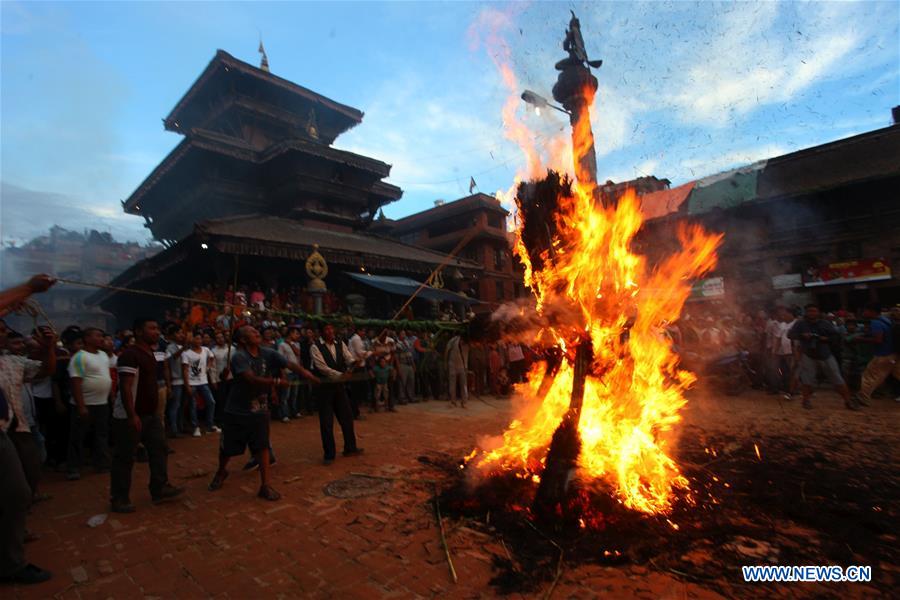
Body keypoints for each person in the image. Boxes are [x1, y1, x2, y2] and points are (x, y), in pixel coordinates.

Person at [208, 326, 318, 501]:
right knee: (228, 449)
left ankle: (265, 485)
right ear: (243, 340)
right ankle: (221, 471)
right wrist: (275, 381)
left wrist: (306, 373)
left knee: (263, 446)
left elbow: (289, 364)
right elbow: (251, 379)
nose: (256, 332)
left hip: (260, 408)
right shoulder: (239, 357)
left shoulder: (267, 352)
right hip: (237, 410)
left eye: (255, 330)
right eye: (251, 332)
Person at [0, 274, 56, 584]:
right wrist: (29, 288)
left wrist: (49, 347)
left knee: (20, 490)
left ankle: (10, 556)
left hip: (13, 427)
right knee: (16, 492)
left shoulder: (11, 361)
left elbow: (46, 370)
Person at [111, 318, 184, 513]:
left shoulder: (151, 353)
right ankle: (119, 497)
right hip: (131, 414)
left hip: (150, 414)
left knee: (159, 449)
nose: (156, 332)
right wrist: (131, 414)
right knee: (125, 457)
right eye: (151, 328)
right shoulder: (130, 355)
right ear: (138, 331)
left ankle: (159, 488)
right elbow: (125, 387)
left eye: (157, 328)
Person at [787, 304, 859, 410]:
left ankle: (848, 401)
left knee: (838, 379)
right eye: (809, 311)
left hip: (825, 355)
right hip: (808, 355)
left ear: (818, 312)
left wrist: (824, 339)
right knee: (807, 381)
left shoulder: (825, 324)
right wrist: (802, 336)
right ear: (806, 312)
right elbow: (790, 335)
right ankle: (806, 401)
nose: (812, 313)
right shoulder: (800, 324)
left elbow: (836, 337)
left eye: (814, 311)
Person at [309, 324, 364, 464]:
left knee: (347, 417)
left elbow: (349, 358)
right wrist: (341, 375)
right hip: (324, 390)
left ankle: (350, 448)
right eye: (327, 329)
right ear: (321, 332)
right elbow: (322, 368)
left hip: (339, 387)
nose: (331, 331)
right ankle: (329, 454)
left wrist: (355, 362)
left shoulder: (340, 344)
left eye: (332, 328)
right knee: (327, 422)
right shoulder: (315, 347)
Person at [65, 327, 112, 480]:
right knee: (78, 436)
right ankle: (73, 468)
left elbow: (106, 376)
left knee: (101, 435)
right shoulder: (80, 357)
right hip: (85, 404)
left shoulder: (103, 355)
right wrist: (81, 406)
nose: (101, 339)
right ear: (87, 338)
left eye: (102, 336)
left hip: (102, 403)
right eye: (98, 336)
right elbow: (76, 383)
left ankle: (102, 464)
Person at [855, 302, 900, 405]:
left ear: (872, 312)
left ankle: (863, 397)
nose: (863, 313)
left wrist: (859, 339)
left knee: (870, 376)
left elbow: (878, 340)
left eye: (865, 311)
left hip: (883, 354)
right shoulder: (886, 320)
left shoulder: (875, 322)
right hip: (894, 353)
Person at [181, 334, 219, 437]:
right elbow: (184, 370)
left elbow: (212, 357)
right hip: (192, 383)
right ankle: (195, 427)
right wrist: (187, 385)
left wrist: (208, 367)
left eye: (200, 338)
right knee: (193, 405)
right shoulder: (186, 353)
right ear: (191, 340)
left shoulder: (206, 350)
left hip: (203, 381)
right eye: (196, 338)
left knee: (211, 402)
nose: (199, 340)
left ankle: (209, 425)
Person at [164, 327, 189, 437]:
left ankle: (181, 426)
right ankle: (174, 430)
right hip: (176, 381)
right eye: (178, 333)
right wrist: (183, 349)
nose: (181, 335)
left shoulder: (186, 348)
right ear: (173, 335)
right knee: (175, 406)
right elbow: (170, 360)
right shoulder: (170, 347)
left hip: (186, 380)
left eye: (182, 333)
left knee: (183, 406)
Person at [277, 326, 304, 422]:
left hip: (296, 371)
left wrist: (291, 344)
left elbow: (299, 354)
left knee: (294, 394)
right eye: (296, 333)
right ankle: (284, 414)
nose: (298, 335)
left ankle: (294, 412)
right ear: (290, 333)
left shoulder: (297, 344)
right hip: (287, 372)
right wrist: (282, 373)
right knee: (285, 395)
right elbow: (280, 360)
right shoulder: (282, 345)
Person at [445, 332, 468, 408]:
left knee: (463, 384)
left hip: (462, 366)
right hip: (452, 365)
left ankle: (464, 401)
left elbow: (466, 356)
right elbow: (447, 352)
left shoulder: (467, 343)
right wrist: (446, 363)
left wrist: (466, 367)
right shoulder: (452, 341)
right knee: (452, 384)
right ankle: (453, 401)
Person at [395, 330, 416, 404]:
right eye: (402, 334)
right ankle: (402, 398)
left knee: (411, 382)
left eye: (404, 333)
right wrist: (398, 368)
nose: (404, 335)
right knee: (402, 383)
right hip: (402, 364)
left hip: (409, 364)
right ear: (399, 335)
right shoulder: (397, 344)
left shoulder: (407, 342)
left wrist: (413, 365)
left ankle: (411, 397)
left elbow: (411, 354)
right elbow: (396, 357)